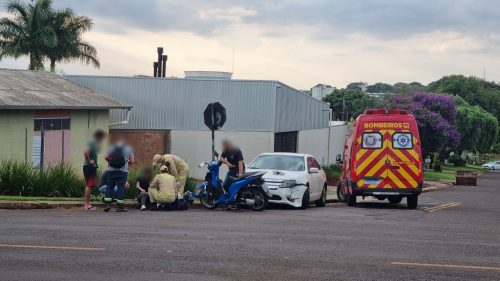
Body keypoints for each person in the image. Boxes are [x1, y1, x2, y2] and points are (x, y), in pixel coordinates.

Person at [104, 140, 135, 212]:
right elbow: (132, 161)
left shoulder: (111, 147)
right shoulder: (129, 148)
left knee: (109, 187)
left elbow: (106, 157)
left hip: (111, 170)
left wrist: (112, 162)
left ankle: (107, 205)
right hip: (123, 171)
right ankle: (120, 207)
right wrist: (125, 162)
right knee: (121, 188)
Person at [82, 129, 106, 210]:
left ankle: (87, 204)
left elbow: (95, 151)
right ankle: (87, 205)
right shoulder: (91, 142)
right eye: (102, 138)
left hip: (91, 167)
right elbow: (85, 152)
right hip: (89, 166)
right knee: (89, 185)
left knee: (89, 185)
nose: (102, 139)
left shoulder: (95, 143)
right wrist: (90, 161)